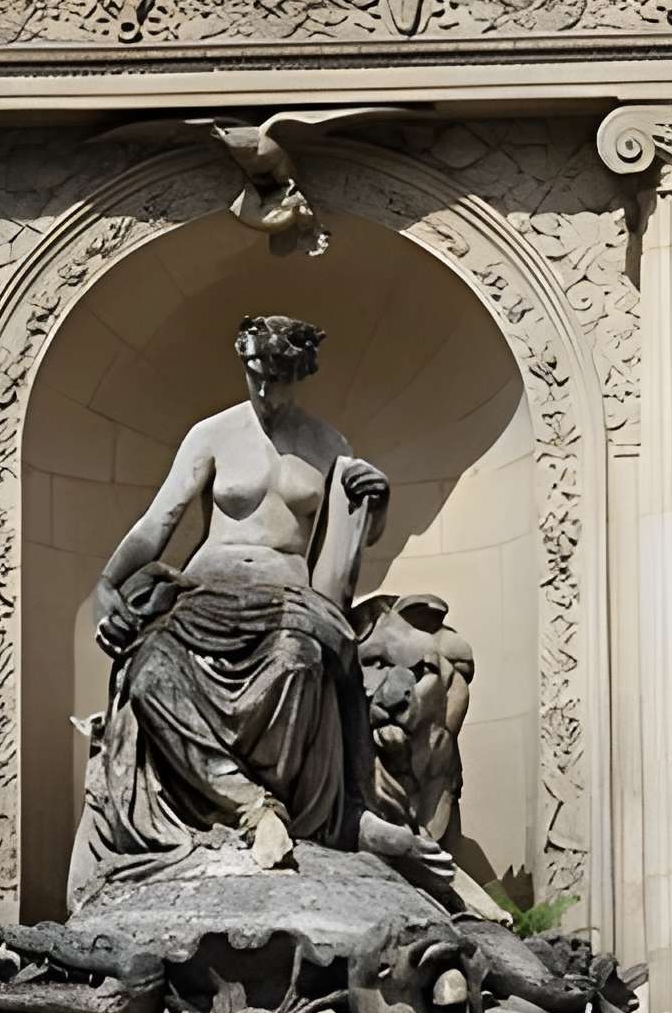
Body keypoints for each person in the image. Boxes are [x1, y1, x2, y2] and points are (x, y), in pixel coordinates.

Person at [68, 312, 450, 908]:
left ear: (301, 374)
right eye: (257, 374)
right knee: (149, 676)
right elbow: (159, 521)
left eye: (280, 376)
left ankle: (338, 813)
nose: (267, 388)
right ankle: (251, 806)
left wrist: (375, 506)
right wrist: (107, 584)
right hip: (205, 595)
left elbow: (348, 541)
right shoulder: (213, 434)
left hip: (288, 600)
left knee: (302, 660)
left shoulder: (329, 445)